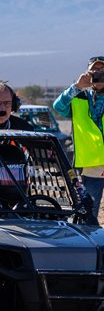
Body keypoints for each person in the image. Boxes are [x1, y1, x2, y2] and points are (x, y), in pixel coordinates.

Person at [53, 56, 104, 215]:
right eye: (94, 71)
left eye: (102, 71)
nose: (98, 74)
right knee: (90, 209)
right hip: (92, 163)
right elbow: (58, 106)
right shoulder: (78, 97)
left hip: (93, 162)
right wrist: (77, 87)